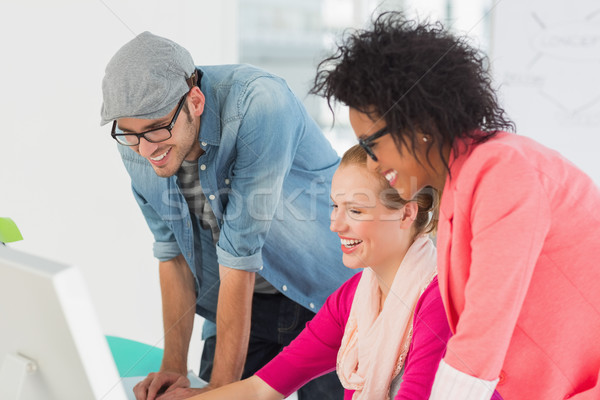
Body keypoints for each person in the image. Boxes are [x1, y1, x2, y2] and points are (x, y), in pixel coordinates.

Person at [311, 11, 600, 400]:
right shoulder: (457, 189)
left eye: (371, 145)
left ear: (418, 125)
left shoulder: (501, 170)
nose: (374, 164)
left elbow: (481, 338)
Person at [100, 31, 356, 400]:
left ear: (195, 100)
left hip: (324, 298)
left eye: (156, 129)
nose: (145, 149)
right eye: (130, 133)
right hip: (237, 304)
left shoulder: (260, 104)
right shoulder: (138, 143)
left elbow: (241, 253)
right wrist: (174, 368)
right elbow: (172, 252)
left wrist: (219, 391)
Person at [175, 144, 459, 400]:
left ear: (406, 214)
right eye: (335, 206)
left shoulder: (439, 302)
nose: (335, 225)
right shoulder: (352, 299)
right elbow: (262, 388)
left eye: (356, 211)